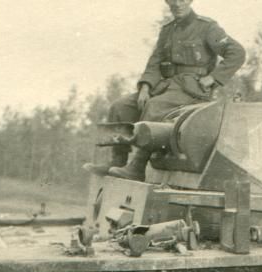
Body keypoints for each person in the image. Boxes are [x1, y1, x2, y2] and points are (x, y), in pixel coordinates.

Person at [83, 0, 245, 181]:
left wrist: (213, 78)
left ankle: (137, 166)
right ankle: (118, 160)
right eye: (172, 1)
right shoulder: (167, 30)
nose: (177, 4)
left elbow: (237, 52)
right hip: (165, 86)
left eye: (182, 0)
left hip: (191, 90)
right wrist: (145, 86)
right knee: (120, 107)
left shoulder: (207, 27)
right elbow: (155, 62)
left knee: (154, 106)